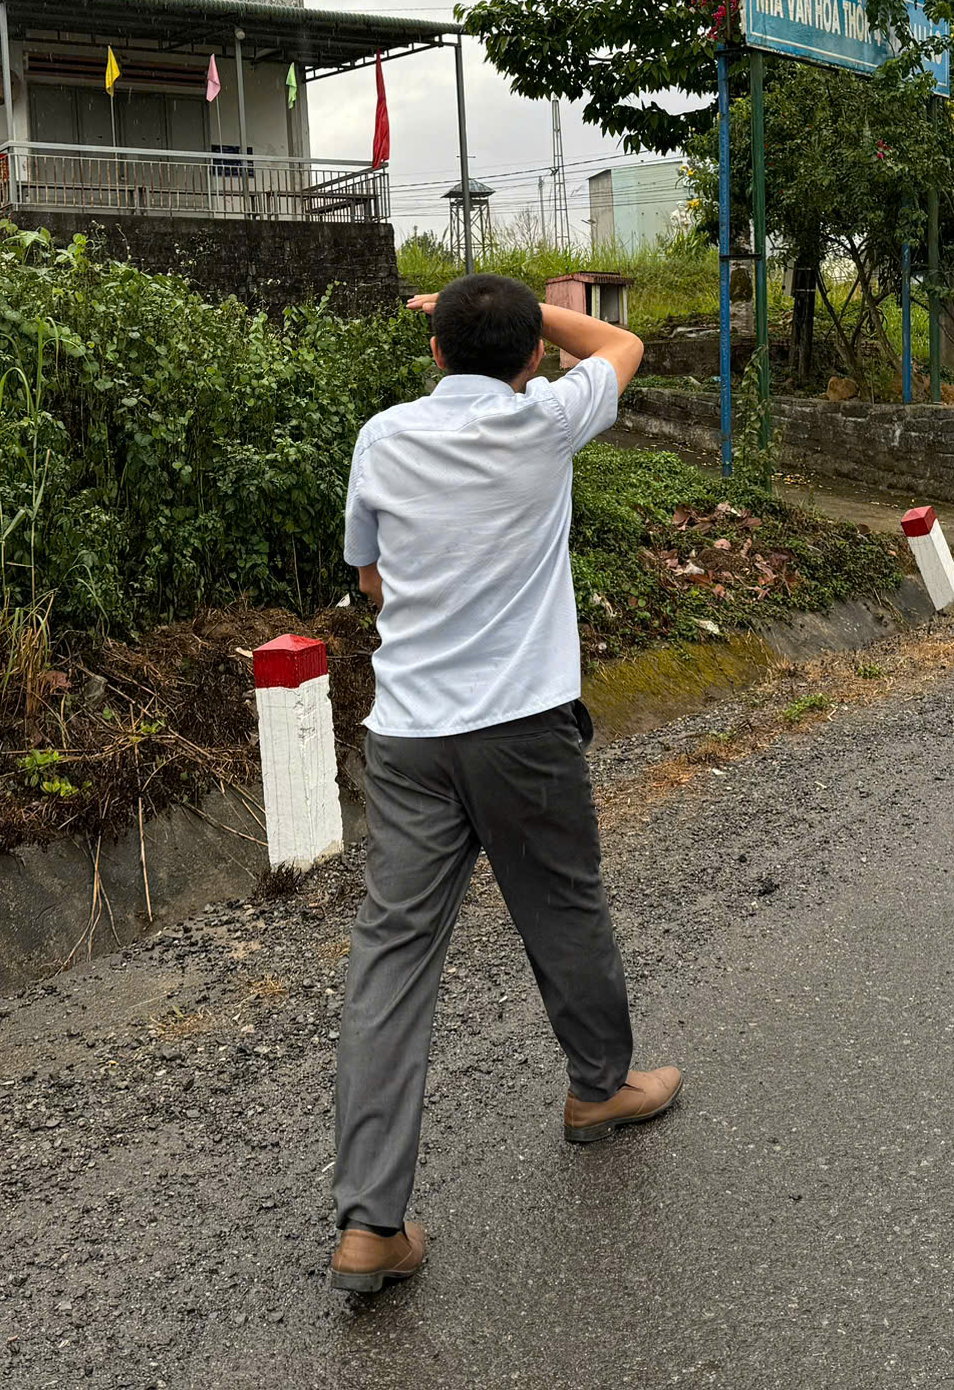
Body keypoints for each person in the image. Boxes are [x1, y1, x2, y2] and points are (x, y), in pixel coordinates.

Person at [327, 274, 683, 1296]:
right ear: (532, 358)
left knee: (392, 958)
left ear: (434, 352)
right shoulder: (548, 421)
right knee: (562, 909)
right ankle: (599, 1088)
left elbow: (370, 581)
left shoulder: (382, 437)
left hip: (408, 737)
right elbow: (619, 344)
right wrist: (518, 312)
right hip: (523, 728)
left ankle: (369, 1223)